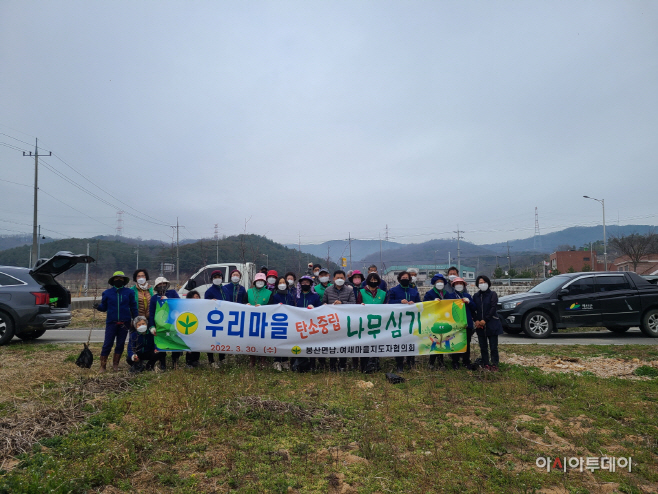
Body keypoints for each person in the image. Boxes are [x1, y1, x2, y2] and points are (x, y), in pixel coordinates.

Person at [95, 271, 138, 372]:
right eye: (116, 279)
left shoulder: (129, 292)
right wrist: (98, 307)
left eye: (121, 279)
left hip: (125, 322)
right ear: (113, 280)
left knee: (120, 344)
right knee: (107, 344)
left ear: (124, 281)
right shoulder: (107, 293)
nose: (119, 280)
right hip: (111, 322)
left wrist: (136, 319)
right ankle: (103, 366)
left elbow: (133, 307)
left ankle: (115, 365)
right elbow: (104, 307)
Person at [354, 272, 388, 373]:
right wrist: (361, 305)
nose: (373, 282)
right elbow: (357, 305)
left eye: (375, 280)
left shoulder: (382, 293)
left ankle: (375, 365)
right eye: (371, 280)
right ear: (367, 281)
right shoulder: (362, 292)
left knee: (376, 343)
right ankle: (364, 366)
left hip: (378, 322)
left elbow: (386, 306)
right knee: (365, 344)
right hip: (365, 322)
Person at [322, 270, 356, 372]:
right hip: (332, 322)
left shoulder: (349, 290)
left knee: (343, 343)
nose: (339, 280)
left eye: (341, 278)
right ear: (333, 279)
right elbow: (323, 303)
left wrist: (342, 303)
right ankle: (332, 365)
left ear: (345, 279)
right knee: (332, 342)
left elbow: (353, 304)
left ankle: (342, 365)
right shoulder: (328, 290)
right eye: (337, 278)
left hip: (344, 321)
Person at [388, 271, 420, 372]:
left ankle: (411, 364)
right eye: (403, 277)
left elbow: (420, 304)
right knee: (399, 342)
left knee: (411, 342)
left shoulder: (414, 291)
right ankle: (399, 365)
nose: (405, 279)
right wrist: (399, 302)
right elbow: (388, 303)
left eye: (407, 277)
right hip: (398, 321)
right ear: (399, 279)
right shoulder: (393, 290)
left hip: (411, 321)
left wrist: (414, 303)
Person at [423, 273, 457, 370]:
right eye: (438, 282)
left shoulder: (447, 294)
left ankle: (441, 363)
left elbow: (452, 304)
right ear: (434, 283)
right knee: (434, 341)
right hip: (434, 321)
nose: (440, 283)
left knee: (442, 340)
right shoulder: (429, 294)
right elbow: (425, 305)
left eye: (441, 282)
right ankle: (431, 363)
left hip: (445, 321)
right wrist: (433, 302)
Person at [149, 276, 181, 370]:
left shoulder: (173, 293)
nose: (162, 286)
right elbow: (152, 313)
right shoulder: (154, 298)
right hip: (160, 325)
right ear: (156, 286)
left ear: (167, 284)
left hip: (173, 323)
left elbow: (179, 305)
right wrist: (152, 326)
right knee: (162, 344)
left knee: (175, 342)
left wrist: (169, 301)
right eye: (159, 284)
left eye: (163, 284)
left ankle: (175, 363)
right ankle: (162, 364)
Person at [473, 275, 503, 371]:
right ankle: (486, 363)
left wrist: (485, 320)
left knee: (493, 347)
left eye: (484, 282)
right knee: (483, 347)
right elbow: (473, 309)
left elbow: (493, 308)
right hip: (480, 326)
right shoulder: (476, 296)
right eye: (480, 283)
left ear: (488, 283)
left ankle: (494, 364)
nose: (482, 284)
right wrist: (476, 320)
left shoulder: (493, 294)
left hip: (492, 324)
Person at [291, 276, 321, 372]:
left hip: (311, 324)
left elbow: (320, 309)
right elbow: (291, 308)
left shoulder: (315, 296)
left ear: (311, 284)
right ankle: (298, 364)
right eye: (303, 283)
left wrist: (314, 308)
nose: (305, 284)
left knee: (311, 344)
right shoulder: (296, 295)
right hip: (298, 324)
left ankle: (312, 365)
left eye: (307, 283)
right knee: (298, 344)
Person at [451, 277, 476, 370]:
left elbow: (474, 308)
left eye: (461, 283)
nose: (459, 285)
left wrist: (469, 302)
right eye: (457, 283)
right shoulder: (450, 296)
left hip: (467, 323)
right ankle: (455, 362)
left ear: (464, 285)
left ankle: (466, 361)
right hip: (455, 324)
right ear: (453, 285)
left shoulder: (468, 296)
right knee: (455, 343)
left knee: (466, 344)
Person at [272, 276, 295, 371]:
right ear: (277, 285)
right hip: (277, 323)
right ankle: (277, 361)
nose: (282, 284)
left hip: (288, 323)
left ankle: (285, 361)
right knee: (277, 341)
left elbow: (293, 308)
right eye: (280, 283)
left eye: (283, 283)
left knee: (286, 341)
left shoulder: (290, 296)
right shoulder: (274, 296)